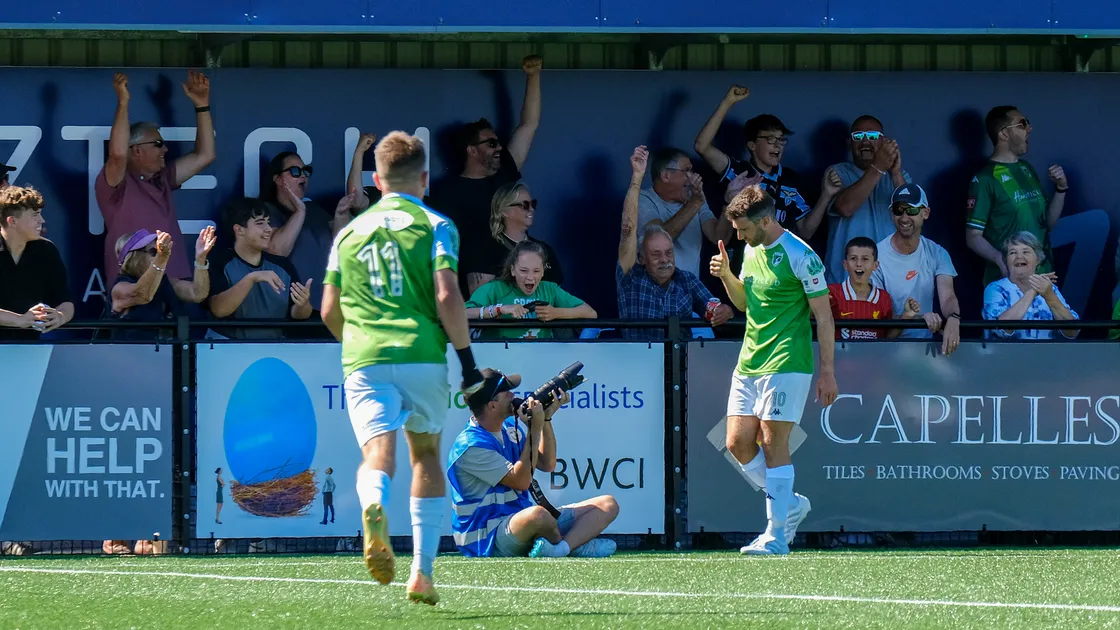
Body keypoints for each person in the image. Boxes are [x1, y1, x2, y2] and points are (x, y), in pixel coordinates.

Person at [321, 131, 485, 606]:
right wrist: (468, 363)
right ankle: (423, 573)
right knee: (426, 456)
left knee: (379, 453)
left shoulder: (348, 232)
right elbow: (446, 295)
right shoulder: (437, 224)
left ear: (376, 180)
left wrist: (358, 345)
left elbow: (329, 308)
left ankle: (373, 503)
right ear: (425, 178)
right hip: (422, 354)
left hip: (366, 355)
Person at [708, 185, 837, 556]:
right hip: (749, 361)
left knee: (772, 440)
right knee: (735, 442)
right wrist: (726, 276)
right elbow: (746, 304)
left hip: (788, 360)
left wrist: (827, 370)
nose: (739, 235)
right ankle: (790, 504)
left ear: (766, 220)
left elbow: (824, 317)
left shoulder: (802, 256)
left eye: (744, 228)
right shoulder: (750, 250)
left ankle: (776, 535)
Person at [447, 369, 619, 558]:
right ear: (492, 405)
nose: (513, 395)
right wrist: (533, 429)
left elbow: (548, 464)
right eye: (506, 391)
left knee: (607, 504)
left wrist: (545, 420)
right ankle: (575, 546)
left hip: (520, 521)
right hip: (486, 539)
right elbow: (521, 481)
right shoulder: (470, 446)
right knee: (539, 516)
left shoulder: (507, 429)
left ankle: (561, 549)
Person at [97, 71, 215, 287]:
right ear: (136, 151)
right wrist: (123, 102)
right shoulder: (115, 185)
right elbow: (118, 154)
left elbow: (204, 155)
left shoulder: (163, 179)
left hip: (176, 289)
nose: (166, 149)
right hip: (132, 291)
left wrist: (202, 106)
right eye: (158, 144)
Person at [617, 146, 733, 340]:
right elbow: (629, 231)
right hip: (640, 361)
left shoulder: (685, 279)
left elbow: (714, 308)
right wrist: (637, 175)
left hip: (680, 363)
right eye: (656, 254)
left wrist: (725, 311)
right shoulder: (631, 277)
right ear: (642, 258)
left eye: (669, 253)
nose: (665, 260)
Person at [693, 85, 832, 239]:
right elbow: (702, 146)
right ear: (752, 145)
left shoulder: (791, 179)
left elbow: (805, 232)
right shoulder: (739, 172)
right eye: (770, 139)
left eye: (781, 139)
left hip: (780, 260)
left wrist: (826, 195)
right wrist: (728, 102)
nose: (777, 145)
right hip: (746, 260)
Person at [966, 106, 1067, 287]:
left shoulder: (1027, 168)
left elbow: (1048, 224)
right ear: (1004, 134)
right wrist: (999, 258)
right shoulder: (984, 179)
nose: (1029, 128)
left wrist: (1061, 189)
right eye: (1022, 124)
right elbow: (973, 237)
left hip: (1044, 280)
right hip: (1008, 284)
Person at [871, 184, 963, 355]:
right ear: (892, 214)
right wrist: (918, 318)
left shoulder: (937, 252)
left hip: (923, 347)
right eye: (899, 210)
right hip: (885, 348)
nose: (904, 217)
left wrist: (953, 318)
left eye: (911, 210)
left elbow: (948, 297)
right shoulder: (876, 256)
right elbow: (878, 315)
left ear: (925, 213)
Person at [824, 115, 912, 283]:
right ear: (849, 143)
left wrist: (895, 174)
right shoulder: (837, 172)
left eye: (872, 136)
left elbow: (911, 216)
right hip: (843, 281)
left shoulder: (899, 176)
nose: (865, 142)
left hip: (888, 279)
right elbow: (845, 207)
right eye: (858, 136)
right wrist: (878, 166)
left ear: (884, 142)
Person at [466, 241, 596, 340]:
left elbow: (590, 313)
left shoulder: (550, 289)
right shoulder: (494, 288)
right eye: (523, 271)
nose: (530, 277)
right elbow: (462, 314)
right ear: (512, 270)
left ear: (543, 271)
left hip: (542, 358)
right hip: (502, 358)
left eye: (536, 271)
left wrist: (555, 313)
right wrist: (499, 309)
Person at [105, 227, 216, 340]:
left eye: (159, 251)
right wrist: (161, 258)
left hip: (169, 354)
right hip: (132, 355)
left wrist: (200, 259)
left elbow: (197, 294)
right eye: (154, 252)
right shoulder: (119, 288)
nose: (160, 254)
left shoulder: (166, 282)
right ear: (134, 257)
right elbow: (143, 294)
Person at [0, 185, 73, 340]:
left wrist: (60, 316)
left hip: (28, 350)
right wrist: (19, 320)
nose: (42, 220)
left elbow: (65, 302)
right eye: (35, 215)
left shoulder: (46, 250)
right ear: (12, 221)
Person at [464, 182, 564, 295]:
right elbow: (480, 301)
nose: (531, 209)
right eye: (525, 205)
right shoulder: (484, 250)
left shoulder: (545, 250)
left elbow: (558, 296)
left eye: (533, 204)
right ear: (504, 211)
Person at [982, 231, 1079, 340]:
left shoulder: (1049, 289)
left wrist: (1050, 297)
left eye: (1026, 252)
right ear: (1006, 261)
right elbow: (1001, 330)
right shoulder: (995, 289)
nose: (1019, 257)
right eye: (1012, 253)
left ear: (1038, 260)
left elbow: (1072, 332)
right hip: (1007, 355)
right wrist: (1033, 291)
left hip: (1048, 355)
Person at [827, 236, 920, 340]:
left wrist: (906, 316)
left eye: (865, 259)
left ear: (875, 265)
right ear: (845, 264)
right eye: (853, 258)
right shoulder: (831, 293)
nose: (859, 264)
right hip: (840, 356)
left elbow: (887, 337)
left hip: (874, 356)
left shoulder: (883, 297)